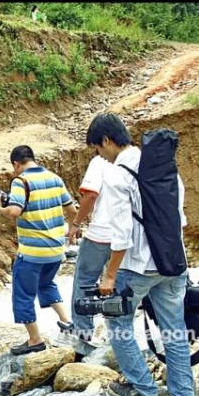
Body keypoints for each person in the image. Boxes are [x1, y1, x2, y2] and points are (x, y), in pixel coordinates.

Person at [86, 113, 193, 396]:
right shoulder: (165, 167)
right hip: (173, 264)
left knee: (118, 324)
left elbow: (121, 237)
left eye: (98, 149)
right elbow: (179, 218)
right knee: (174, 331)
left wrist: (109, 277)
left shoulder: (118, 174)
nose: (100, 156)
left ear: (107, 141)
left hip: (137, 268)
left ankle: (143, 387)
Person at [0, 145, 77, 355]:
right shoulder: (54, 178)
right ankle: (67, 322)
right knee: (46, 283)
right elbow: (72, 210)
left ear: (16, 163)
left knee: (22, 294)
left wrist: (1, 209)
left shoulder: (20, 181)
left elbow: (14, 211)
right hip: (56, 250)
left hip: (32, 252)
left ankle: (35, 340)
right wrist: (71, 231)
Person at [67, 154, 114, 361]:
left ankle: (83, 334)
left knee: (85, 281)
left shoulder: (100, 161)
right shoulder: (136, 158)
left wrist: (76, 223)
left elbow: (91, 195)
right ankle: (119, 336)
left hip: (101, 234)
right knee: (119, 284)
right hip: (128, 236)